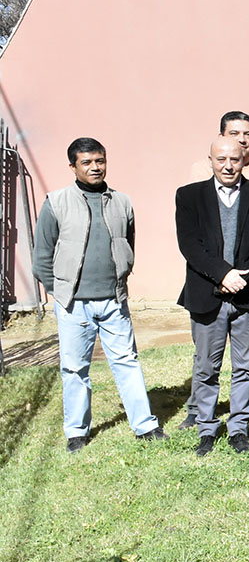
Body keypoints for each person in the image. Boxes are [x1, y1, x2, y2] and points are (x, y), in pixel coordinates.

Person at [34, 138, 166, 451]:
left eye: (100, 161)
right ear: (73, 167)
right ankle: (77, 432)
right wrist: (60, 293)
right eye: (87, 162)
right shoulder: (57, 202)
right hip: (73, 304)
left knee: (127, 362)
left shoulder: (121, 201)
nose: (95, 167)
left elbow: (127, 244)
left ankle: (145, 426)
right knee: (75, 368)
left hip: (113, 300)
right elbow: (41, 257)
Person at [175, 136, 249, 455]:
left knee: (245, 366)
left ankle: (238, 427)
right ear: (210, 161)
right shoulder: (189, 196)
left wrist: (241, 277)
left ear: (243, 159)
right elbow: (190, 244)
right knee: (206, 366)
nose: (228, 166)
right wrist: (223, 274)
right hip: (208, 294)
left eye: (234, 159)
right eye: (221, 159)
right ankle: (206, 427)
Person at [187, 111, 249, 190]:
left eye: (248, 134)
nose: (242, 140)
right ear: (221, 137)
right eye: (234, 133)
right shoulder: (203, 168)